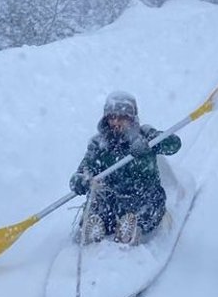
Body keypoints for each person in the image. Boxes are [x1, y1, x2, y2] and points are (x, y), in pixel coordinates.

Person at [69, 91, 182, 245]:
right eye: (112, 117)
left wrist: (151, 143)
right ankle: (95, 227)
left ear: (132, 118)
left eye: (122, 117)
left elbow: (174, 144)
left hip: (141, 194)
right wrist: (81, 181)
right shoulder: (98, 144)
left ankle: (133, 228)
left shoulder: (145, 134)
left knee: (151, 202)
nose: (116, 122)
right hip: (112, 197)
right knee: (98, 202)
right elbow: (82, 171)